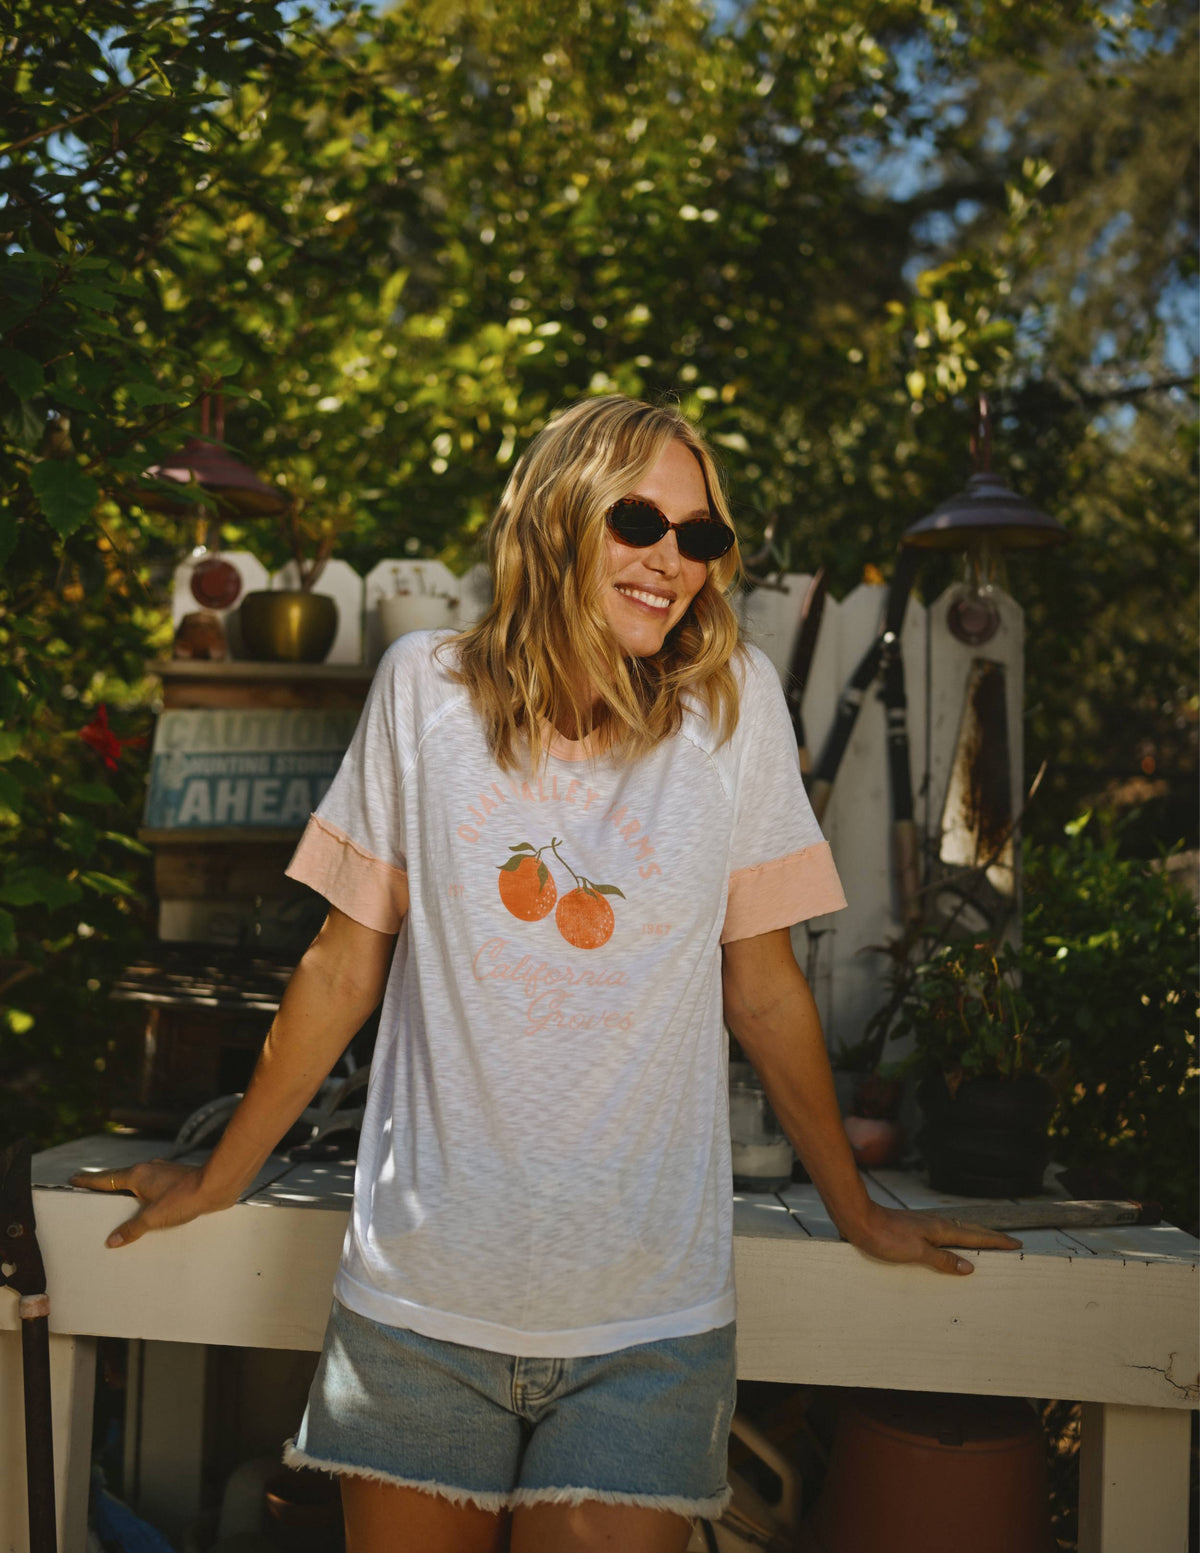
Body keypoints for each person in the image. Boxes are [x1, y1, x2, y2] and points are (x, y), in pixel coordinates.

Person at [74, 396, 1019, 1553]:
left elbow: (763, 986)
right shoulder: (425, 693)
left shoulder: (733, 713)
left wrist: (855, 1207)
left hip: (649, 1320)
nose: (670, 559)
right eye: (638, 520)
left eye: (699, 535)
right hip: (419, 1307)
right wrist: (219, 1175)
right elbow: (339, 967)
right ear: (558, 517)